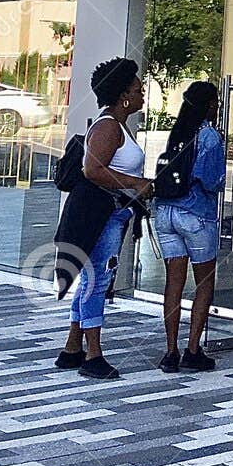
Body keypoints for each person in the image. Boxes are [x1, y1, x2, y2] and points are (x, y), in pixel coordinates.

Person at [54, 57, 152, 381]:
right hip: (104, 215)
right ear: (124, 95)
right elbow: (92, 170)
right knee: (98, 282)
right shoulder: (109, 125)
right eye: (138, 90)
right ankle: (93, 355)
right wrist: (136, 183)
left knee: (90, 281)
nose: (142, 94)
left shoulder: (114, 124)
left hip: (111, 213)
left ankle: (72, 347)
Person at [153, 80, 226, 372]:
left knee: (174, 283)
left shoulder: (178, 132)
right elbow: (211, 180)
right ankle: (193, 350)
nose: (217, 107)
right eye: (216, 102)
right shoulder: (209, 136)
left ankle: (170, 352)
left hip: (166, 212)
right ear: (209, 105)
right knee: (204, 282)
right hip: (196, 213)